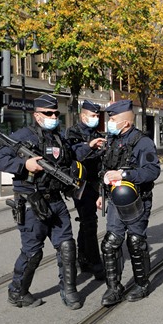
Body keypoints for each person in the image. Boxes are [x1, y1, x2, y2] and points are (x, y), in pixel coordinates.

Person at [0, 94, 92, 310]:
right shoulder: (23, 136)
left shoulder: (57, 137)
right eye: (48, 113)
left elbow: (71, 153)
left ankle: (69, 290)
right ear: (37, 115)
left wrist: (90, 146)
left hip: (56, 200)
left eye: (56, 113)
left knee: (67, 245)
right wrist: (24, 164)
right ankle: (17, 292)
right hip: (31, 203)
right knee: (32, 252)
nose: (54, 116)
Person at [96, 100, 160, 306]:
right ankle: (113, 288)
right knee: (110, 243)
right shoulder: (112, 140)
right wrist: (102, 194)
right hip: (115, 200)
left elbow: (152, 171)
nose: (109, 123)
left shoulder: (143, 142)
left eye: (112, 120)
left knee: (135, 242)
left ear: (125, 123)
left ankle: (141, 284)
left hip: (136, 200)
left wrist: (124, 174)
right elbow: (106, 169)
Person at [66, 100, 106, 280]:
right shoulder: (72, 133)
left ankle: (84, 257)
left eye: (97, 116)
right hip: (80, 184)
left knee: (88, 221)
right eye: (93, 115)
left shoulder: (97, 133)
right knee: (89, 222)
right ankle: (96, 264)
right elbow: (72, 156)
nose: (96, 118)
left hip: (95, 183)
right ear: (83, 116)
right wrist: (89, 146)